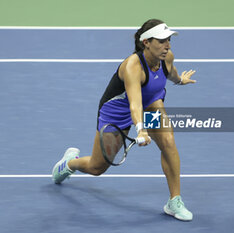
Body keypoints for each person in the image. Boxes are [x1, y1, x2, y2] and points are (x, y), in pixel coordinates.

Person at [52, 19, 196, 221]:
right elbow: (134, 103)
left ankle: (174, 201)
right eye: (162, 40)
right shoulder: (132, 66)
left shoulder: (167, 57)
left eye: (169, 40)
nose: (168, 45)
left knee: (168, 141)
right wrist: (141, 129)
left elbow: (170, 74)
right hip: (117, 112)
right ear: (146, 42)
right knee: (97, 167)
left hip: (151, 104)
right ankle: (70, 163)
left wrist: (180, 80)